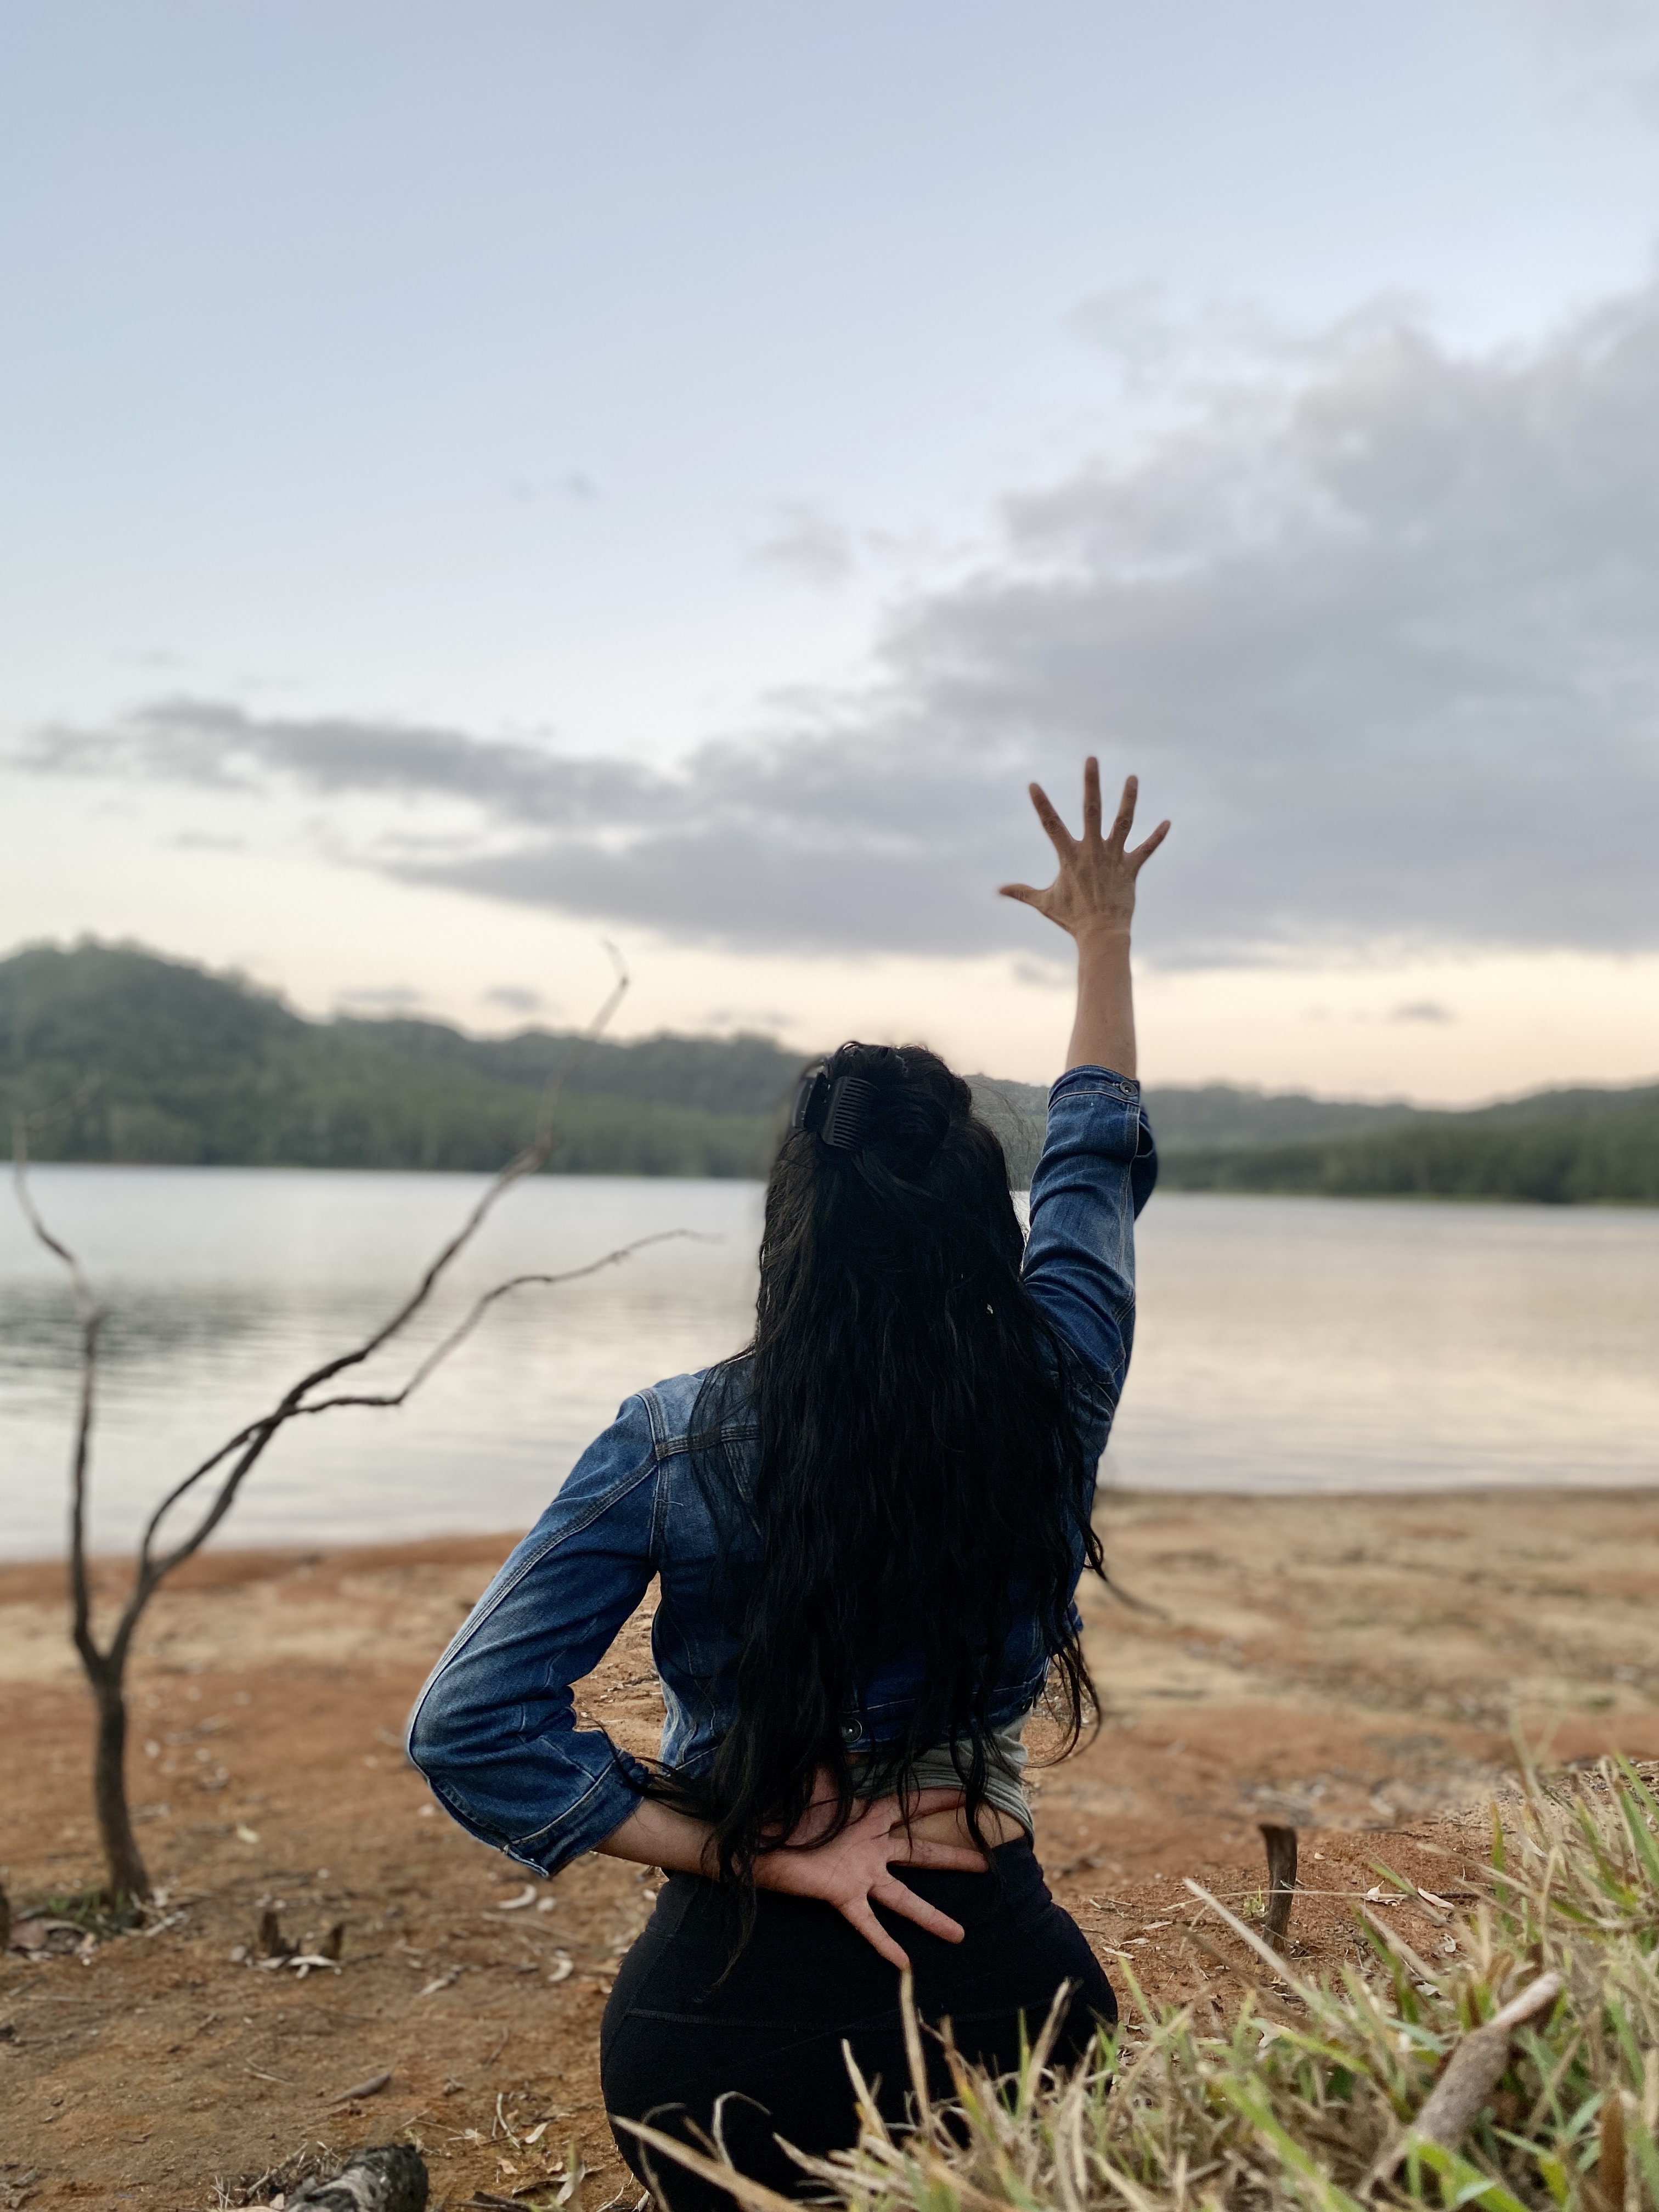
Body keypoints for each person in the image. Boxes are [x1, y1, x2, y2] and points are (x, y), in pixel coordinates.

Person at [406, 759, 1169, 2209]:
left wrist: (766, 1858)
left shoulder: (672, 1436)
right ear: (980, 1228)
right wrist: (1105, 939)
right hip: (998, 2003)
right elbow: (1092, 1158)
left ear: (790, 1238)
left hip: (717, 2037)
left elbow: (470, 1729)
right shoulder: (1059, 1374)